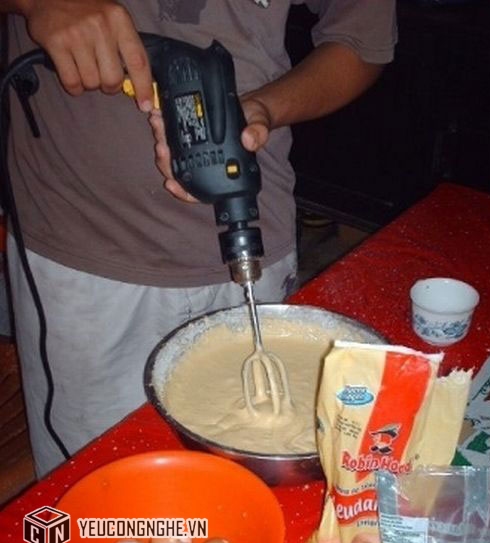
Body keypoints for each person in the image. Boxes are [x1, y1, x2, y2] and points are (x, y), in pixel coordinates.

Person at [1, 0, 397, 478]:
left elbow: (362, 41)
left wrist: (260, 110)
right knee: (98, 489)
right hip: (87, 254)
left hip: (260, 236)